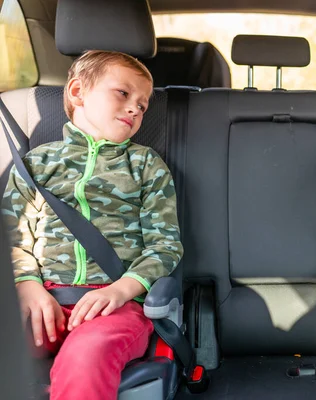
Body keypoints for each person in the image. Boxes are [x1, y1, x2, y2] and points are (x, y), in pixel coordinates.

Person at [1, 50, 183, 400]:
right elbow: (13, 235)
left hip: (115, 306)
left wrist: (122, 290)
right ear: (77, 92)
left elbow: (165, 245)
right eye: (123, 93)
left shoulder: (145, 165)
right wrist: (26, 284)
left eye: (143, 105)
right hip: (42, 297)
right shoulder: (36, 164)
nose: (135, 108)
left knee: (86, 358)